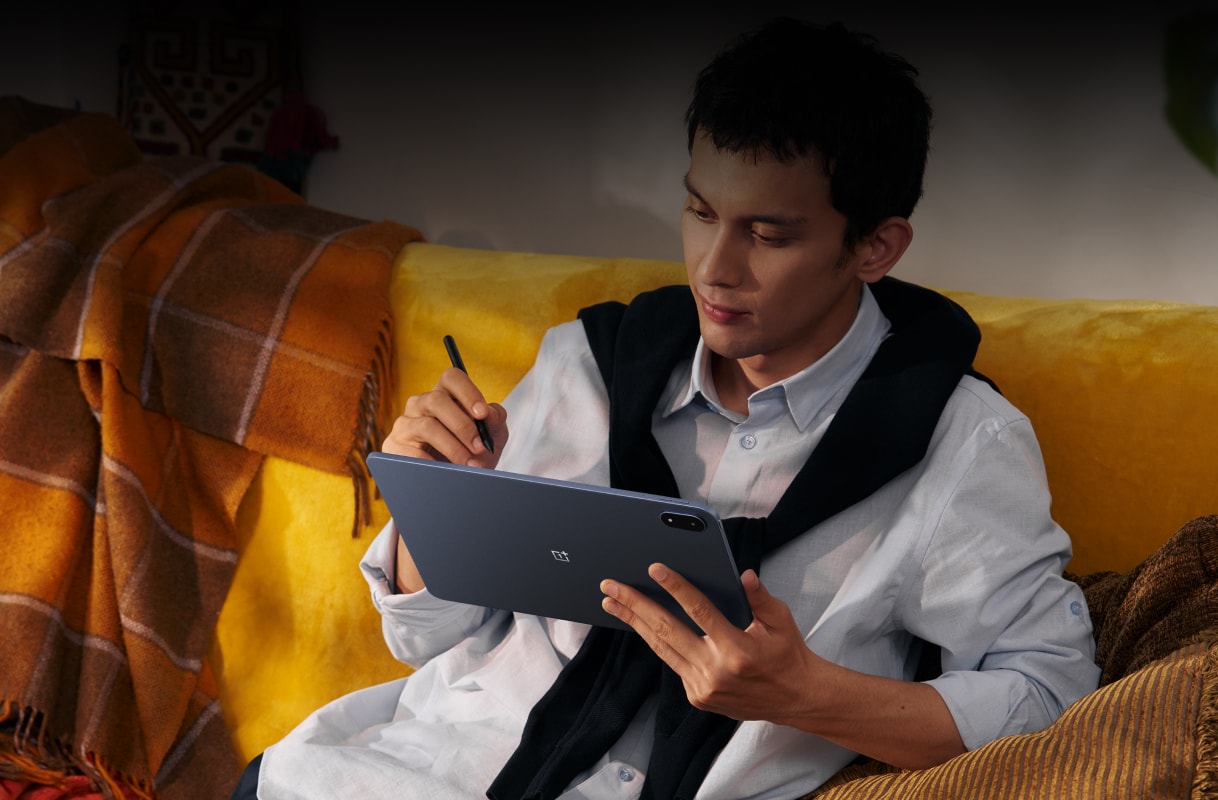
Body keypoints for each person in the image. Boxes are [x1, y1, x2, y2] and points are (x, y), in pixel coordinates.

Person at [239, 17, 1099, 800]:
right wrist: (435, 504)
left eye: (768, 235)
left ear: (875, 247)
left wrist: (807, 695)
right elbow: (425, 637)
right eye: (699, 210)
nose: (714, 268)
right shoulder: (591, 363)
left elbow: (1053, 695)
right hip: (410, 772)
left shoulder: (956, 440)